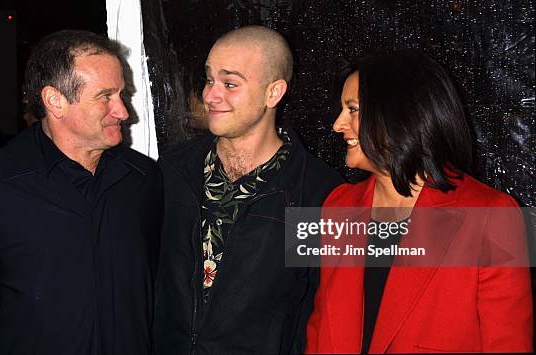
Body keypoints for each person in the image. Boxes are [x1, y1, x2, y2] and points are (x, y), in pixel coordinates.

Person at [0, 30, 163, 354]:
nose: (123, 112)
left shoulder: (144, 179)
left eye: (122, 94)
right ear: (55, 101)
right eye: (105, 97)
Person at [306, 49, 533, 353]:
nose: (337, 124)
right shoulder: (337, 207)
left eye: (353, 109)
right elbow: (320, 330)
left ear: (401, 114)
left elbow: (507, 344)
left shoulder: (490, 215)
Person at [154, 25, 343, 354]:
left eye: (229, 83)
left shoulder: (315, 194)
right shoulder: (171, 171)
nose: (210, 95)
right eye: (209, 79)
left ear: (273, 93)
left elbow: (321, 314)